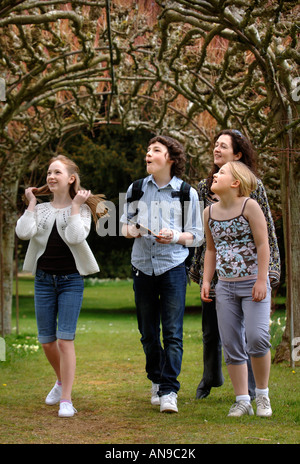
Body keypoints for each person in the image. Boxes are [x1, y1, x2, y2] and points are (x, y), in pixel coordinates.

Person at [190, 129, 280, 400]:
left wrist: (267, 273)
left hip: (250, 271)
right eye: (215, 145)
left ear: (237, 155)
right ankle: (211, 377)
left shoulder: (253, 189)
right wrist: (203, 275)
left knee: (251, 333)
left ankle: (254, 391)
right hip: (219, 271)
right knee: (213, 332)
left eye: (223, 146)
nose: (216, 150)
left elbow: (265, 235)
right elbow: (207, 239)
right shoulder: (205, 189)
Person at [15, 155, 106, 418]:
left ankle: (66, 399)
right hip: (43, 280)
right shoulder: (41, 209)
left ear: (71, 178)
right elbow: (23, 232)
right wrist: (32, 203)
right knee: (46, 341)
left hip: (70, 281)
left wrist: (76, 207)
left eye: (56, 172)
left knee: (65, 339)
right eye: (48, 173)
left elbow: (76, 236)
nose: (51, 177)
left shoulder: (84, 209)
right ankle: (60, 381)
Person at [121, 135, 203, 413]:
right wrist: (137, 229)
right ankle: (156, 380)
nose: (148, 154)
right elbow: (123, 228)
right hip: (142, 267)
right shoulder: (134, 189)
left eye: (155, 150)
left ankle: (169, 390)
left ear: (170, 158)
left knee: (172, 333)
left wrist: (176, 235)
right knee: (147, 333)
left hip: (173, 269)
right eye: (147, 149)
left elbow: (197, 236)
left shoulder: (186, 193)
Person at [201, 161, 273, 417]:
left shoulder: (249, 206)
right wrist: (207, 280)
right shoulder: (208, 212)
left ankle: (262, 396)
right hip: (225, 289)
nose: (214, 175)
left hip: (253, 285)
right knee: (231, 343)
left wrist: (262, 280)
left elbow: (263, 245)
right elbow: (211, 249)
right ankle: (242, 400)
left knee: (257, 338)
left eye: (221, 173)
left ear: (236, 183)